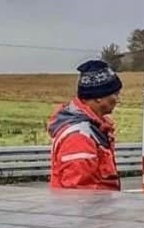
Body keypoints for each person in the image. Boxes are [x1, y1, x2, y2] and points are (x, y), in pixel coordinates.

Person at [48, 60, 123, 191]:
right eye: (115, 94)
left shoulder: (94, 129)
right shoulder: (79, 138)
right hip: (92, 210)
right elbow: (79, 196)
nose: (118, 99)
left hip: (100, 209)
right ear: (99, 97)